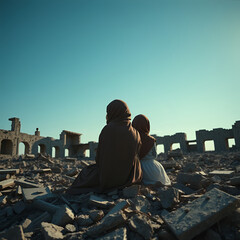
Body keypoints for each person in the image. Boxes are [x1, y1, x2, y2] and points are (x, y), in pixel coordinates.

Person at [67, 99, 142, 194]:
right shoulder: (136, 133)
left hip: (109, 178)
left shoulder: (108, 129)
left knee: (85, 173)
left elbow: (100, 159)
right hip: (130, 178)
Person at [132, 114, 171, 186]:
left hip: (138, 169)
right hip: (153, 167)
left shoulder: (133, 139)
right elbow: (154, 155)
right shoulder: (151, 140)